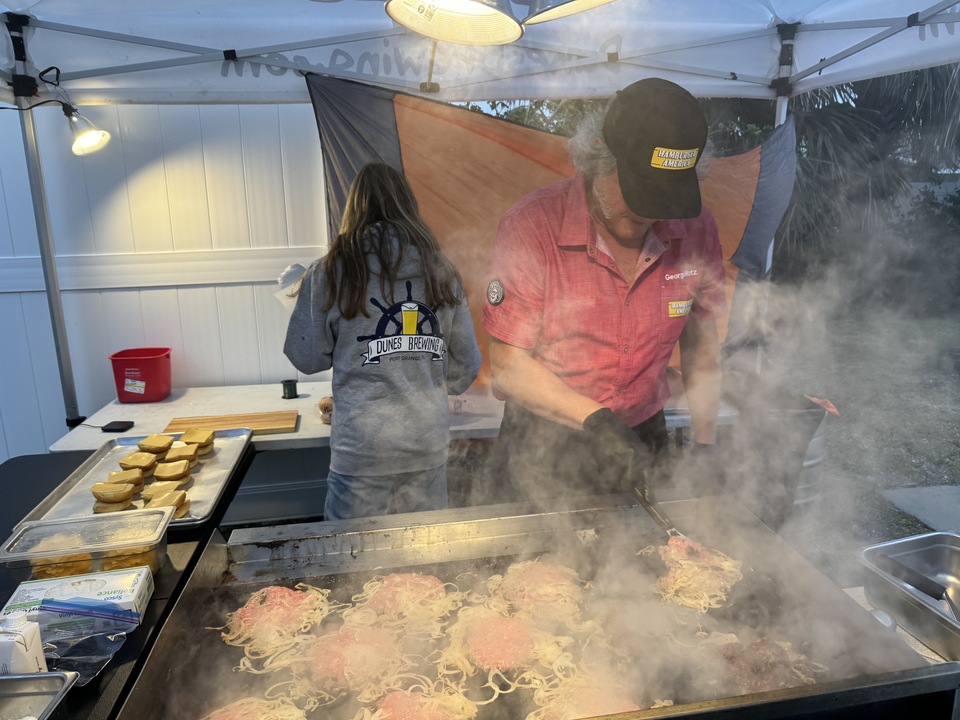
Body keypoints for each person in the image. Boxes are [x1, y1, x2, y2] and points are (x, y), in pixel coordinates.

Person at [481, 78, 727, 508]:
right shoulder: (531, 226)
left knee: (646, 565)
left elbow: (702, 345)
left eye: (665, 197)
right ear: (598, 154)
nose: (651, 212)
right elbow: (507, 365)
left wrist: (705, 444)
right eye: (640, 192)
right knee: (533, 568)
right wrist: (594, 420)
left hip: (641, 435)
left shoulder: (697, 229)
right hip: (545, 436)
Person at [284, 162, 482, 520]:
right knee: (428, 556)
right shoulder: (442, 270)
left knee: (351, 561)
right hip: (425, 444)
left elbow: (307, 357)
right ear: (407, 204)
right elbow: (464, 370)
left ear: (353, 207)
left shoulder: (328, 271)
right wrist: (424, 370)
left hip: (360, 449)